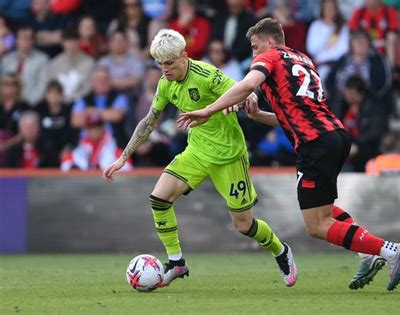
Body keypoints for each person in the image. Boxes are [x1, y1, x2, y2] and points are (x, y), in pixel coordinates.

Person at [178, 18, 400, 291]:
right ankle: (366, 253)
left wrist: (209, 110)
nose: (254, 54)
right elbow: (289, 117)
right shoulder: (302, 59)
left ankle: (389, 250)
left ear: (269, 41)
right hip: (335, 136)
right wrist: (256, 115)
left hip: (314, 143)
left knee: (315, 225)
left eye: (255, 47)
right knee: (324, 210)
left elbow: (246, 85)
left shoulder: (271, 57)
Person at [102, 29, 297, 288]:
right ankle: (176, 262)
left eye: (169, 63)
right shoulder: (165, 84)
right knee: (159, 198)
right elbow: (149, 121)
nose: (165, 69)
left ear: (184, 56)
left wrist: (241, 101)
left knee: (244, 225)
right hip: (196, 151)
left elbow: (245, 92)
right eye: (160, 64)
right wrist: (123, 157)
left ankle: (280, 250)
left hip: (228, 155)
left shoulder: (207, 75)